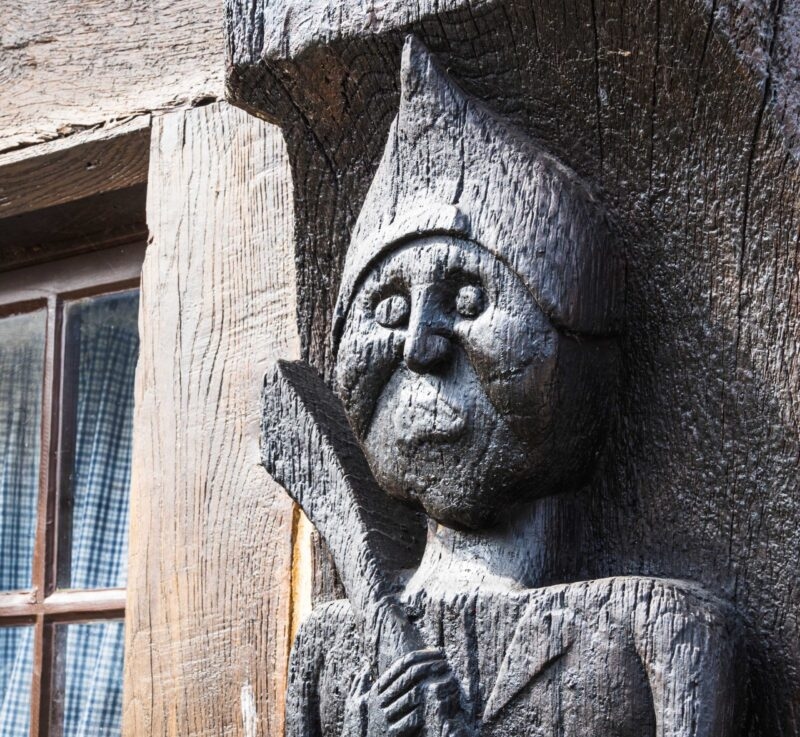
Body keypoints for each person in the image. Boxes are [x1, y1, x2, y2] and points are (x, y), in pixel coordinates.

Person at [284, 36, 741, 737]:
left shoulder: (656, 634)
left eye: (468, 300)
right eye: (389, 310)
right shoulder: (331, 656)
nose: (420, 346)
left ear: (579, 345)